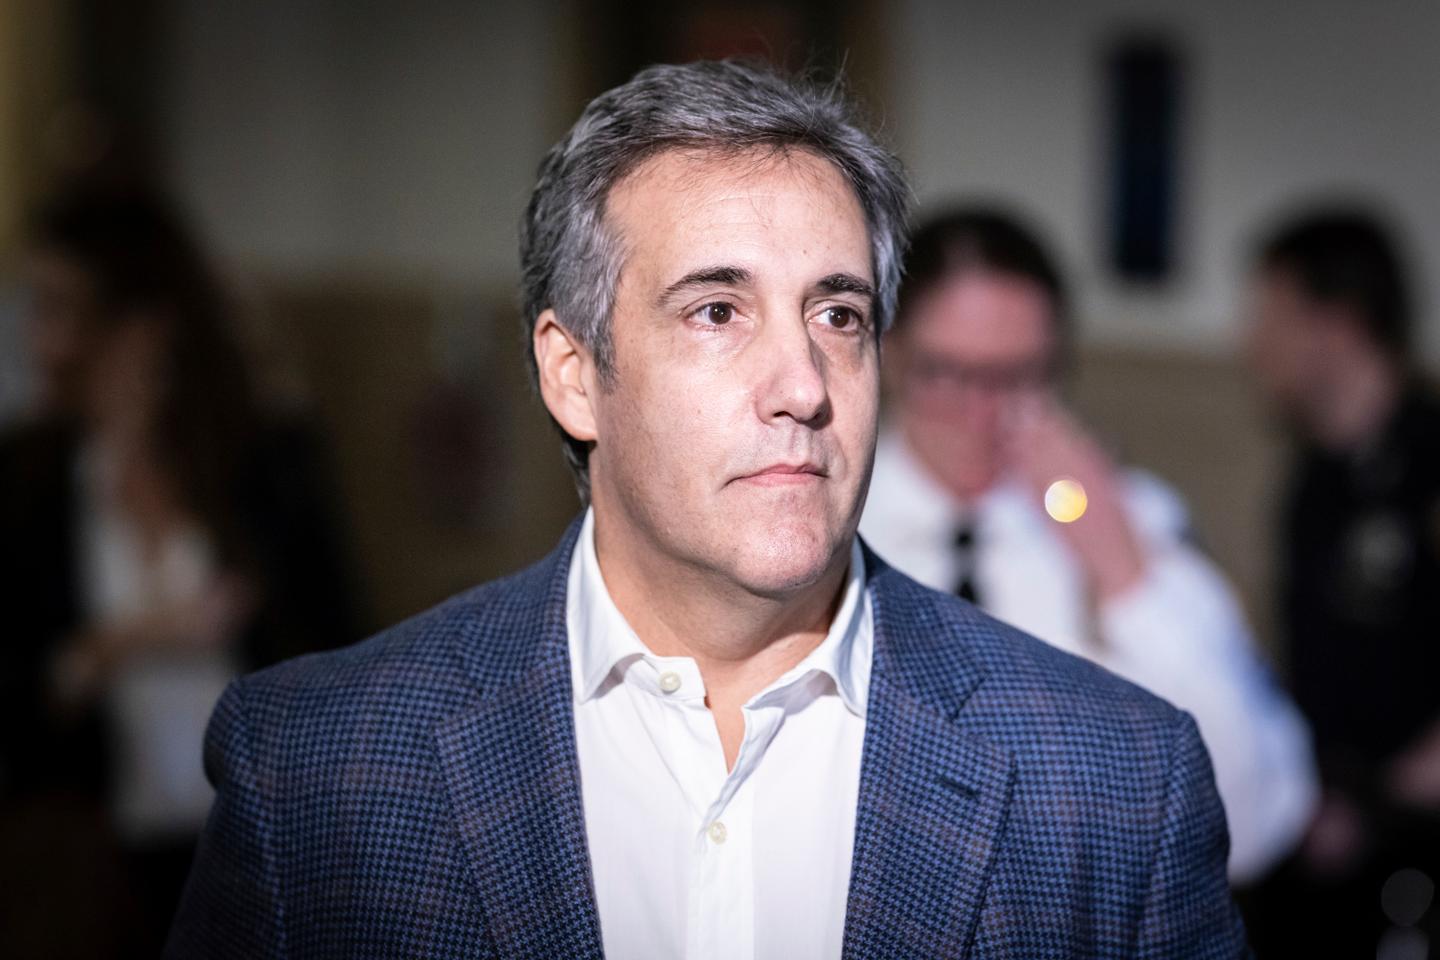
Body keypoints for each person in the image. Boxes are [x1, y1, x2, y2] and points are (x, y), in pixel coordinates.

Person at [167, 61, 1248, 959]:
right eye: (718, 311)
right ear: (573, 374)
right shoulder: (319, 771)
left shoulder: (1113, 787)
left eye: (838, 315)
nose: (804, 385)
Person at [859, 207, 1317, 886]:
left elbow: (1258, 817)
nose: (984, 414)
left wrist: (1118, 566)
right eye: (948, 372)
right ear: (891, 353)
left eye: (1019, 375)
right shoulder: (833, 524)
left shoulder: (1131, 516)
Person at [0, 185, 358, 956]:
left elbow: (346, 657)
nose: (37, 338)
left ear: (143, 325)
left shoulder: (268, 468)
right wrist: (118, 644)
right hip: (96, 880)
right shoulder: (25, 484)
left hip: (260, 856)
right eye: (37, 308)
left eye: (60, 309)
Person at [1243, 208, 1440, 956]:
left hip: (1411, 857)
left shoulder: (1427, 462)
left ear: (1338, 322)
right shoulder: (1315, 479)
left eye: (1273, 315)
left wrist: (1378, 803)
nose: (1251, 342)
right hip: (1321, 841)